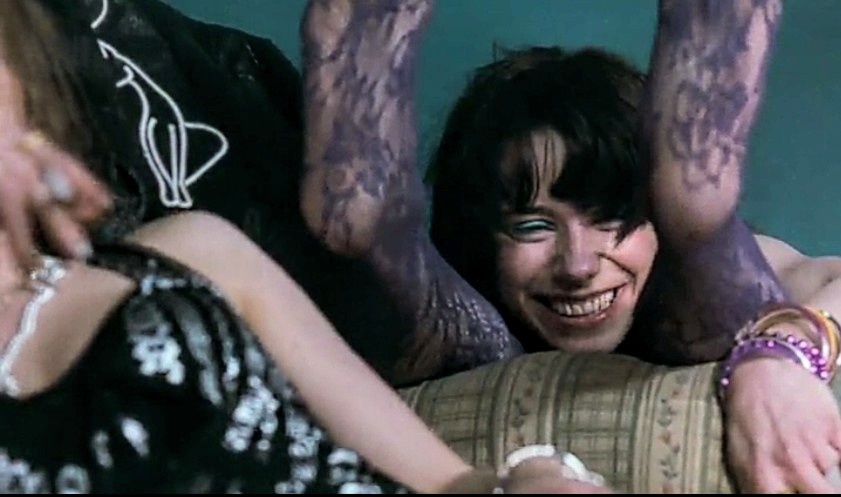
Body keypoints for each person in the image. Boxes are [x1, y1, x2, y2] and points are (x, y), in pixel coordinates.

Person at [300, 0, 841, 493]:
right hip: (450, 336)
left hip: (690, 299)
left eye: (614, 218)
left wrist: (780, 354)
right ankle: (364, 218)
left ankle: (696, 209)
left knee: (713, 305)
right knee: (420, 308)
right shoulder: (462, 288)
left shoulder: (684, 275)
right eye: (533, 226)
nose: (578, 265)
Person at [0, 0, 610, 493]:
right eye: (536, 225)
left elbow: (453, 483)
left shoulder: (195, 252)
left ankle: (369, 211)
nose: (579, 261)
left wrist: (531, 477)